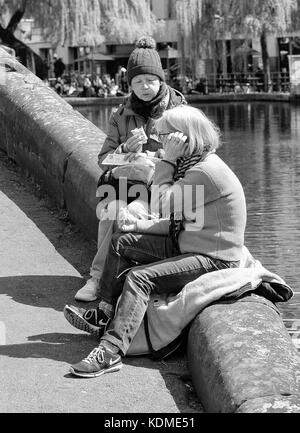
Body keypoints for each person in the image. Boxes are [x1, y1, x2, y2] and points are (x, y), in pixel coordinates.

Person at [64, 105, 247, 378]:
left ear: (183, 138)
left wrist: (168, 162)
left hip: (213, 258)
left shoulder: (204, 173)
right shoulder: (194, 163)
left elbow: (164, 206)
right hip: (189, 241)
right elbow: (182, 223)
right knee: (121, 242)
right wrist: (137, 225)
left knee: (140, 278)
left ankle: (111, 351)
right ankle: (106, 313)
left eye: (164, 137)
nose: (159, 144)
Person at [73, 36, 186, 302]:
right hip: (130, 186)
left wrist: (161, 156)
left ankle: (123, 278)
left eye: (150, 80)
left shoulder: (180, 112)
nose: (144, 87)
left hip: (166, 191)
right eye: (137, 82)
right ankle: (98, 278)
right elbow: (103, 160)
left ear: (161, 80)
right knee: (112, 210)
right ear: (130, 83)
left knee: (130, 212)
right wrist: (126, 151)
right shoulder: (120, 114)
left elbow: (194, 157)